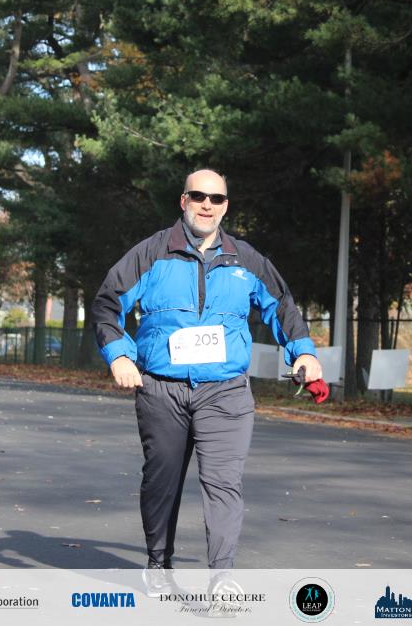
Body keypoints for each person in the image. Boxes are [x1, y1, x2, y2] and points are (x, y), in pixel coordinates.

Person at [91, 169, 322, 582]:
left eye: (216, 199)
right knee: (161, 483)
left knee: (223, 483)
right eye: (198, 196)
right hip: (162, 390)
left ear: (225, 207)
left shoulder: (245, 259)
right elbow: (108, 302)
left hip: (226, 392)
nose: (207, 205)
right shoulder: (152, 252)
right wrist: (120, 356)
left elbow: (281, 306)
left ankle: (222, 579)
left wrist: (303, 352)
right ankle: (158, 564)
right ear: (184, 201)